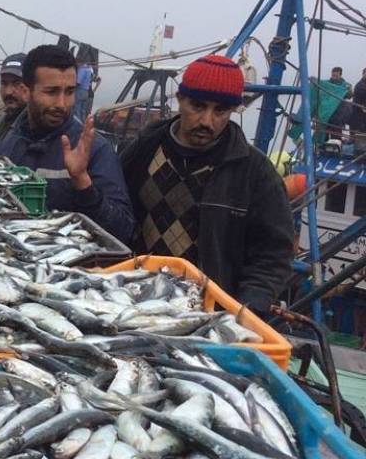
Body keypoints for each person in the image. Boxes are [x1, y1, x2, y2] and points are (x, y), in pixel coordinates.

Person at [121, 55, 294, 313]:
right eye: (198, 106)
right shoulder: (143, 149)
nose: (207, 121)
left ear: (233, 110)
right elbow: (114, 215)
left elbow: (273, 253)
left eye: (220, 111)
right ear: (180, 99)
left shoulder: (256, 173)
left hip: (208, 313)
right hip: (133, 299)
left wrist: (246, 309)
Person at [0, 45, 134, 244]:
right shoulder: (8, 144)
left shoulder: (95, 149)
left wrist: (83, 184)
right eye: (51, 92)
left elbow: (124, 231)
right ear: (26, 91)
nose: (61, 103)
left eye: (69, 91)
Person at [290, 66, 352, 145]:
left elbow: (350, 95)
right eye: (333, 75)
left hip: (337, 116)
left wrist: (349, 90)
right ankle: (319, 149)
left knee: (336, 137)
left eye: (336, 76)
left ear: (340, 75)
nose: (334, 77)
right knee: (323, 136)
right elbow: (320, 84)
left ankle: (335, 151)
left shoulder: (344, 86)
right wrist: (315, 81)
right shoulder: (326, 84)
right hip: (324, 115)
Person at [74, 58, 94, 124]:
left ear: (78, 62)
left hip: (80, 91)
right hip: (86, 92)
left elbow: (78, 82)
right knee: (83, 111)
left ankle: (78, 126)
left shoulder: (82, 69)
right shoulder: (89, 69)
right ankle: (83, 126)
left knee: (77, 110)